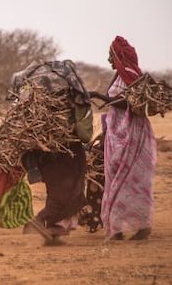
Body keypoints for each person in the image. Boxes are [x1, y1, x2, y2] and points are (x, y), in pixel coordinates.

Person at [10, 60, 90, 245]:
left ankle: (54, 233)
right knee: (66, 191)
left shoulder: (30, 96)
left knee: (60, 190)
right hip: (66, 149)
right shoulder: (73, 97)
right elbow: (83, 128)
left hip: (44, 151)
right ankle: (40, 220)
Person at [89, 36, 156, 241]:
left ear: (118, 55)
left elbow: (128, 103)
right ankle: (117, 226)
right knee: (116, 176)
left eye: (111, 55)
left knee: (132, 179)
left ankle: (139, 226)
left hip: (132, 133)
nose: (109, 60)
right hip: (118, 132)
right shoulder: (120, 75)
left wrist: (100, 97)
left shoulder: (130, 75)